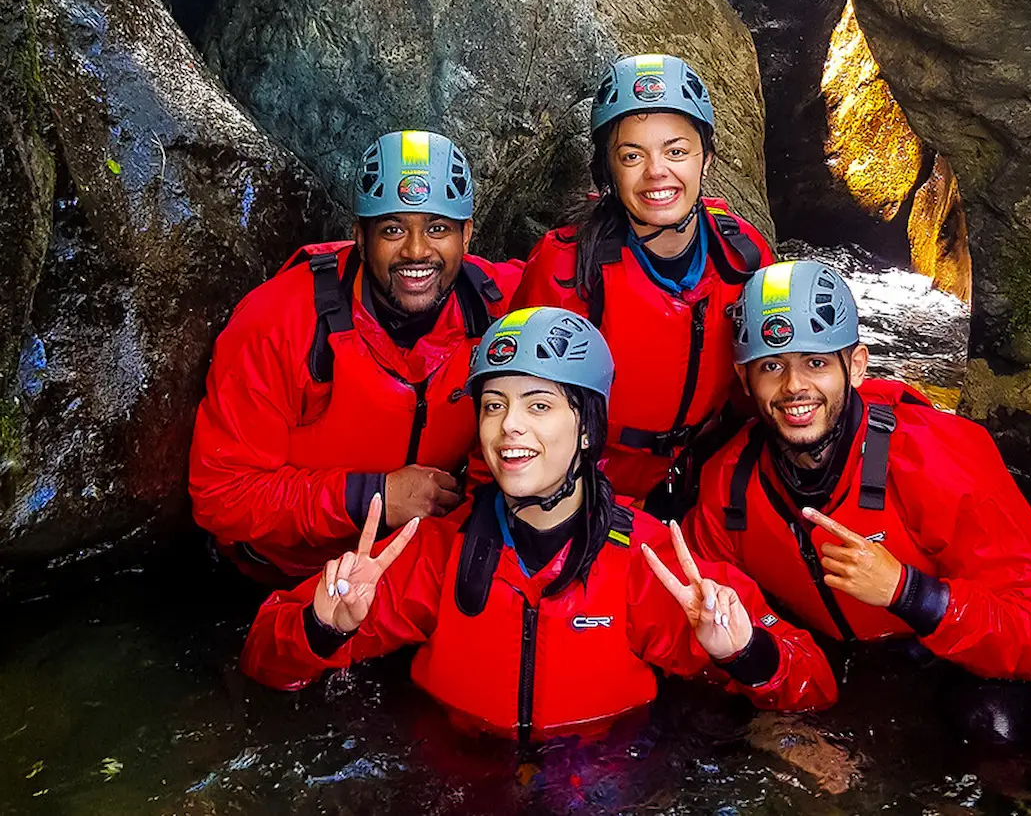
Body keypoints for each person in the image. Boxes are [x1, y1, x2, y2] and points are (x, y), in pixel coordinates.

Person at [241, 307, 837, 742]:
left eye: (539, 405)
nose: (509, 428)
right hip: (458, 775)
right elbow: (265, 660)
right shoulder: (434, 553)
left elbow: (813, 681)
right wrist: (323, 627)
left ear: (585, 429)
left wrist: (747, 652)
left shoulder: (647, 560)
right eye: (494, 405)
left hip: (606, 781)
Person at [684, 260, 1031, 747]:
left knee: (997, 725)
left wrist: (909, 591)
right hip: (828, 657)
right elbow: (705, 624)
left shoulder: (938, 457)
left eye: (816, 362)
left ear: (856, 366)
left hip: (949, 655)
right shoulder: (728, 484)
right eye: (772, 366)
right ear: (745, 382)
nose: (794, 387)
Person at [190, 131, 522, 581]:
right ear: (360, 239)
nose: (417, 250)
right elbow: (221, 495)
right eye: (393, 229)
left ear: (467, 234)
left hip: (414, 573)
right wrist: (376, 497)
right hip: (287, 579)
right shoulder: (278, 324)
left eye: (438, 228)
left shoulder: (500, 306)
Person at [512, 54, 772, 518]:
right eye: (632, 156)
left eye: (676, 151)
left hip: (698, 475)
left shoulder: (742, 256)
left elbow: (763, 386)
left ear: (705, 160)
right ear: (608, 171)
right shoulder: (568, 268)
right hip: (589, 484)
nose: (657, 172)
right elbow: (518, 410)